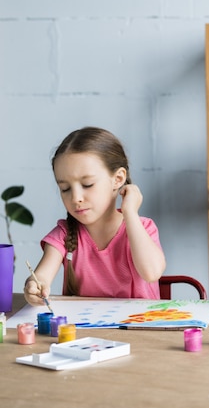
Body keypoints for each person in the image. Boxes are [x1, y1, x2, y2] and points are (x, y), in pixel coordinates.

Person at [24, 127, 166, 305]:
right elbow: (41, 277)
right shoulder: (64, 234)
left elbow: (151, 273)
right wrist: (34, 287)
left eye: (87, 184)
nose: (76, 198)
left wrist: (130, 212)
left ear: (118, 179)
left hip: (137, 330)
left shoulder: (143, 228)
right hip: (85, 331)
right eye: (65, 189)